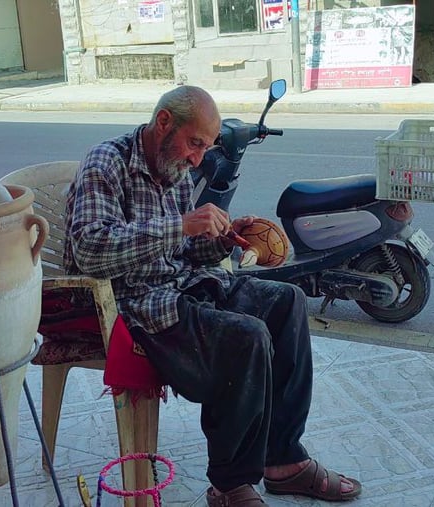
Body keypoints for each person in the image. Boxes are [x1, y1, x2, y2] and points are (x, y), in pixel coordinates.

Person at [62, 85, 361, 506]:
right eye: (195, 143)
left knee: (287, 301)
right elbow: (91, 250)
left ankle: (283, 461)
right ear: (163, 122)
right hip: (134, 304)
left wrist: (223, 239)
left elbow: (186, 251)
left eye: (205, 147)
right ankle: (229, 485)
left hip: (183, 286)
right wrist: (183, 225)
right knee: (246, 336)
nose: (198, 158)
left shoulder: (178, 170)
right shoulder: (106, 162)